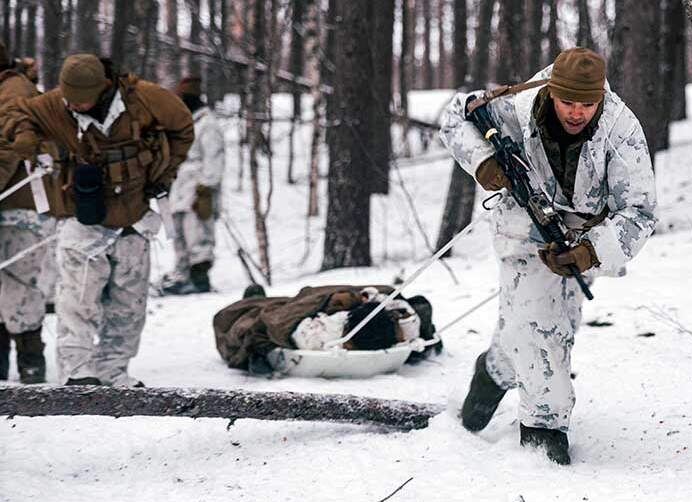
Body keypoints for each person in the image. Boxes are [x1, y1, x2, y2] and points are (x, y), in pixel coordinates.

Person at [439, 47, 657, 464]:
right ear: (552, 91)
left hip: (577, 243)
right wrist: (484, 163)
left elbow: (640, 211)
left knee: (552, 326)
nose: (577, 113)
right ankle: (543, 439)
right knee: (543, 331)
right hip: (522, 232)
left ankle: (495, 371)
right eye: (568, 102)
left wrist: (589, 253)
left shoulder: (622, 128)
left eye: (587, 104)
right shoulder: (516, 106)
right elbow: (454, 116)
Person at [1, 53, 194, 386]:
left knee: (129, 303)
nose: (73, 106)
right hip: (81, 218)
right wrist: (24, 134)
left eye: (80, 100)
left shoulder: (146, 99)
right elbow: (18, 111)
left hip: (134, 215)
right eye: (68, 99)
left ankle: (114, 371)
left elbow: (183, 128)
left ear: (103, 88)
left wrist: (165, 171)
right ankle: (78, 374)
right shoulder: (56, 103)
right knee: (76, 301)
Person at [213, 285, 438, 376]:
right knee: (255, 316)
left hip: (342, 319)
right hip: (304, 313)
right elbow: (281, 324)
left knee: (271, 309)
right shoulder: (325, 331)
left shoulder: (396, 326)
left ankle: (255, 298)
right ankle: (254, 298)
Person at [0, 42, 58, 384]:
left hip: (19, 206)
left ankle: (30, 366)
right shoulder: (12, 89)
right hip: (15, 203)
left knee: (20, 286)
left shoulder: (12, 95)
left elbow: (11, 149)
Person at [160, 76, 224, 295]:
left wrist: (206, 187)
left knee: (197, 235)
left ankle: (199, 279)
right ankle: (182, 275)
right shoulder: (181, 124)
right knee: (178, 235)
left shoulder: (207, 124)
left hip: (197, 191)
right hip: (178, 189)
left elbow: (214, 158)